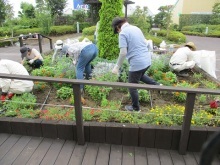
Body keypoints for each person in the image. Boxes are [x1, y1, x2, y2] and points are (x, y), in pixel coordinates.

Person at [111, 17, 161, 112]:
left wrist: (117, 67)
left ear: (118, 27)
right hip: (147, 60)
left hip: (137, 63)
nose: (117, 32)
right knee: (140, 76)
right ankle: (158, 86)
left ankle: (135, 108)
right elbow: (145, 43)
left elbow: (123, 53)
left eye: (117, 30)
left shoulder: (123, 33)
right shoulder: (136, 28)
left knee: (132, 86)